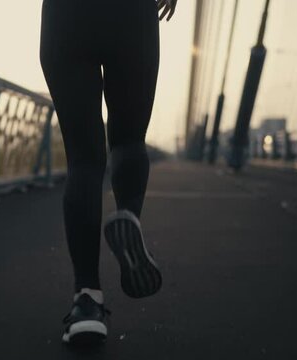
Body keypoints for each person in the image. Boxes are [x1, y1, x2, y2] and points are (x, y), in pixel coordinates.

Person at [40, 0, 178, 345]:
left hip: (66, 16)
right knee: (129, 140)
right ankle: (128, 217)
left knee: (84, 160)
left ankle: (87, 301)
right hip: (131, 14)